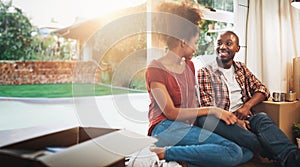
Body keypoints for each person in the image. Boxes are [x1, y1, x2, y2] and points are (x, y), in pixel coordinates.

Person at [145, 2, 253, 167]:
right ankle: (162, 153)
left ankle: (185, 161)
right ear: (183, 41)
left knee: (247, 149)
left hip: (185, 127)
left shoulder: (189, 66)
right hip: (164, 127)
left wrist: (229, 120)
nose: (197, 47)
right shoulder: (155, 68)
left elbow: (193, 105)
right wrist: (215, 111)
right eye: (195, 42)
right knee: (233, 151)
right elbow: (171, 112)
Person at [196, 30, 300, 167]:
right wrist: (236, 121)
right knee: (205, 120)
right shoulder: (205, 73)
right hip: (220, 120)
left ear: (237, 49)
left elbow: (262, 89)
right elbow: (209, 107)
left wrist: (247, 107)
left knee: (262, 118)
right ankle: (278, 155)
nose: (222, 47)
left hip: (246, 116)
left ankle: (293, 158)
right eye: (219, 43)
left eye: (228, 43)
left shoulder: (241, 69)